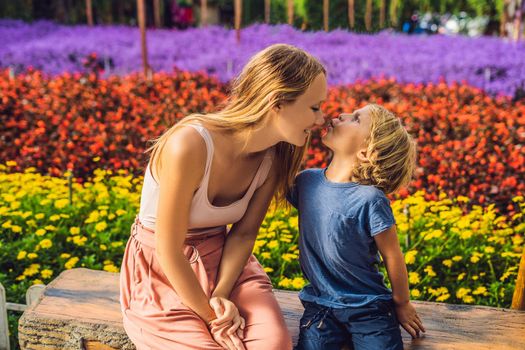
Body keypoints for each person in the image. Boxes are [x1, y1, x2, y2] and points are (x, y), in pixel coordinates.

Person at [119, 43, 327, 350]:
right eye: (314, 107)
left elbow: (243, 235)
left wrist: (220, 293)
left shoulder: (273, 160)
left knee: (273, 345)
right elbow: (168, 250)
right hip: (162, 272)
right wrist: (213, 316)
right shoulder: (189, 144)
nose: (321, 119)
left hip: (226, 265)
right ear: (278, 102)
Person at [287, 104, 425, 350]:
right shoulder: (306, 182)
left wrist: (402, 303)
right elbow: (271, 177)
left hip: (369, 307)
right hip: (321, 305)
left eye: (356, 119)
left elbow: (393, 255)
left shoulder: (370, 199)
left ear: (366, 153)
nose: (342, 115)